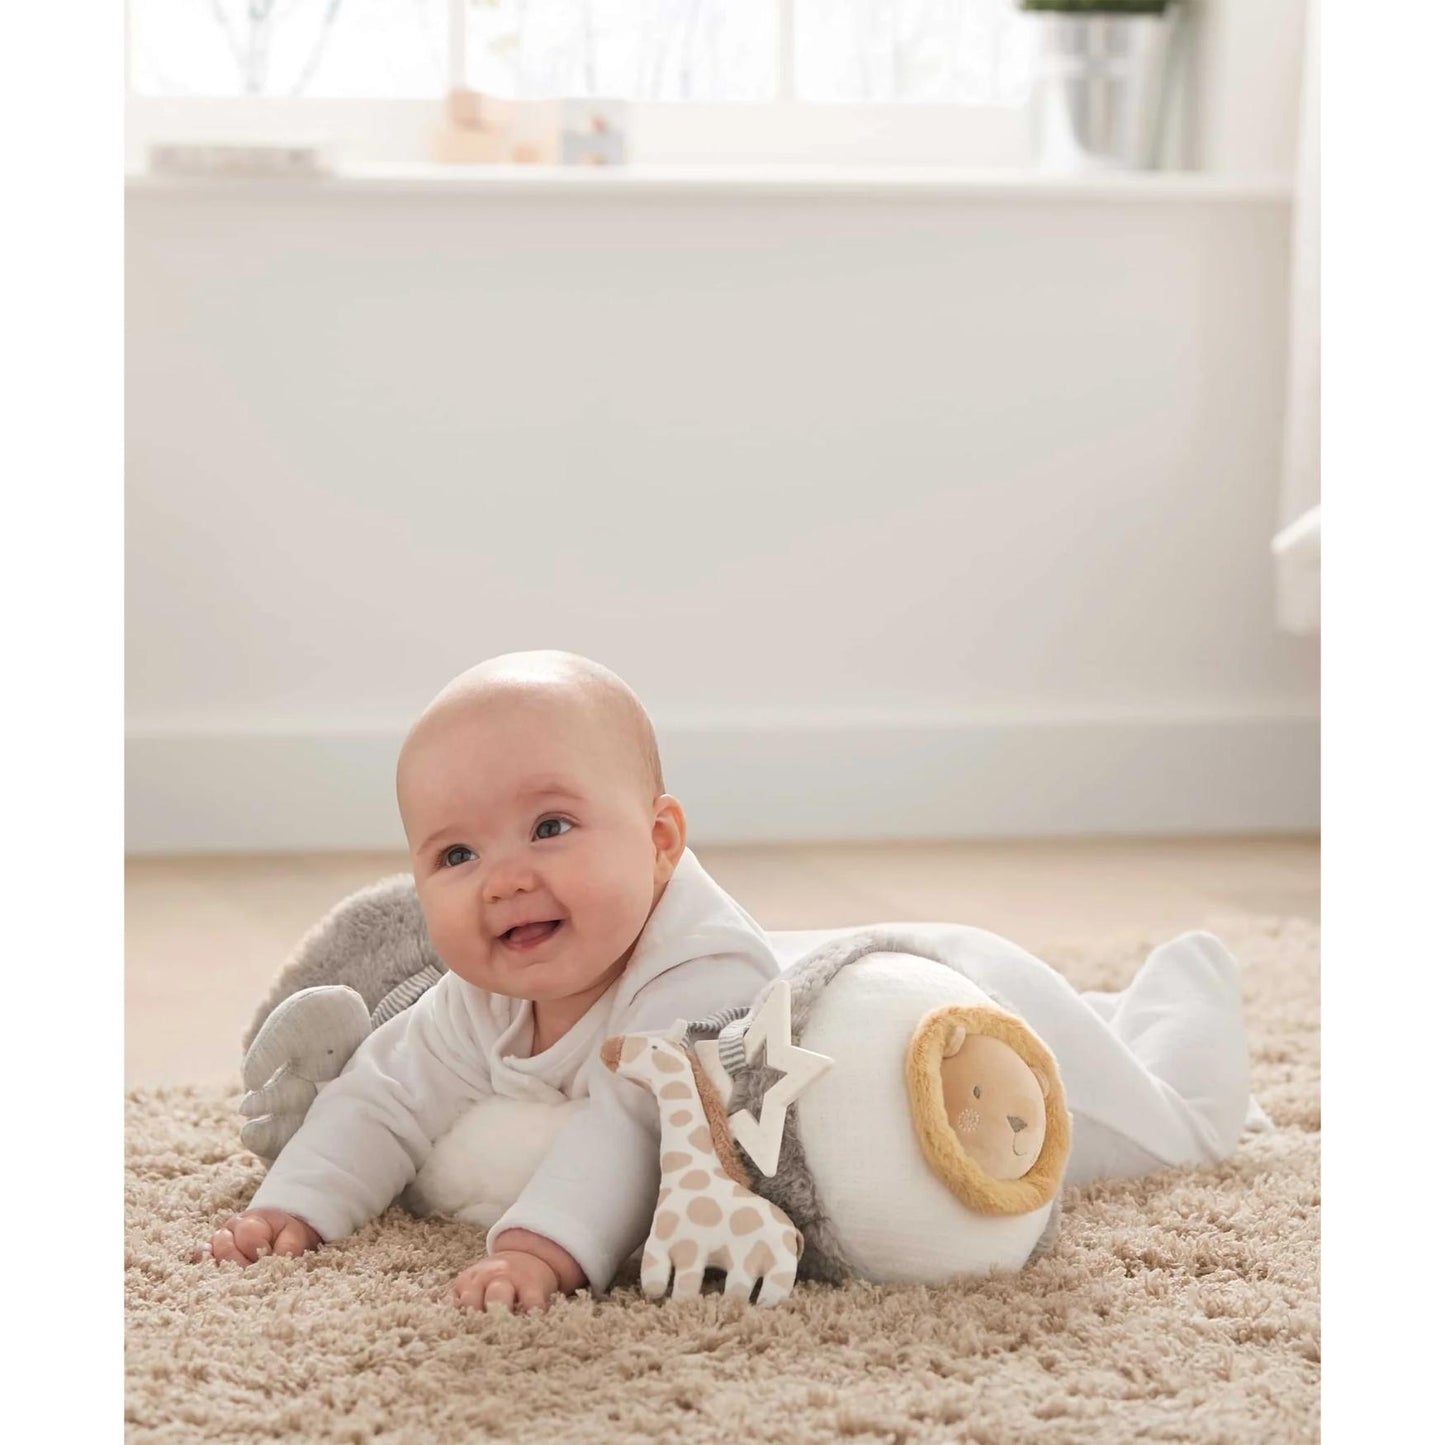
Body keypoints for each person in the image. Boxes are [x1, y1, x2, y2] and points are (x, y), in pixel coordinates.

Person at [204, 649, 779, 1313]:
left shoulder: (704, 972)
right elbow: (384, 1094)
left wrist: (536, 1247)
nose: (504, 879)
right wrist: (293, 1205)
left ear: (658, 842)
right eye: (457, 854)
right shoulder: (483, 989)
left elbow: (640, 1123)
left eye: (550, 827)